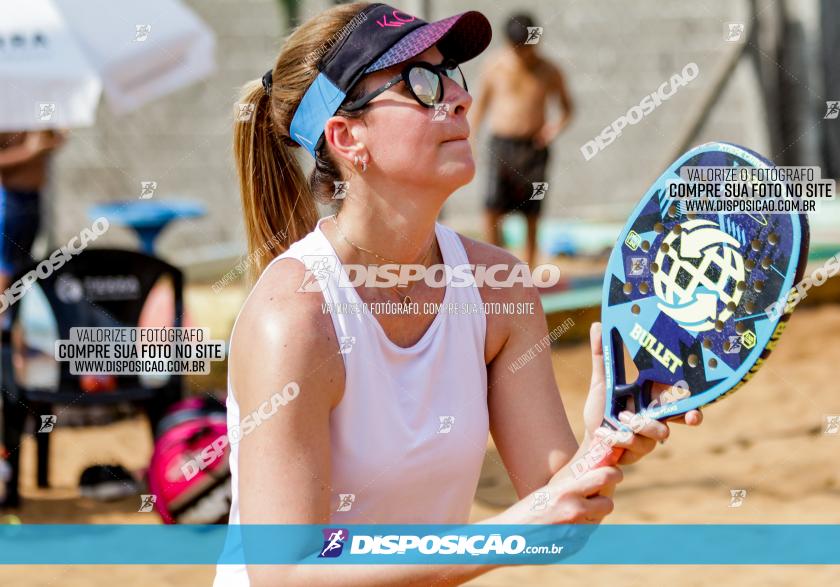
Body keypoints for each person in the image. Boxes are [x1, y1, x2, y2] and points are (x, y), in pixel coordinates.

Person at [216, 4, 701, 586]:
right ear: (348, 137)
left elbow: (558, 511)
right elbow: (286, 574)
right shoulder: (293, 319)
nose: (459, 98)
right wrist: (512, 531)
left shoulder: (500, 290)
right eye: (421, 83)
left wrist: (608, 438)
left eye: (452, 76)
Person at [471, 12, 574, 268]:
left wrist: (552, 130)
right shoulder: (495, 66)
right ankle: (494, 267)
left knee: (532, 212)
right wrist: (470, 140)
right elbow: (480, 106)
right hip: (501, 145)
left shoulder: (549, 71)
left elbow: (567, 108)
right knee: (492, 208)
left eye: (527, 47)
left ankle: (529, 269)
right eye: (517, 49)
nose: (522, 54)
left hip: (533, 148)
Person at [0, 130, 64, 298]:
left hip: (33, 198)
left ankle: (10, 319)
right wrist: (28, 151)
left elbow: (55, 142)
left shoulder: (34, 117)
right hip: (10, 199)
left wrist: (52, 138)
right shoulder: (7, 119)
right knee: (5, 266)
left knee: (22, 267)